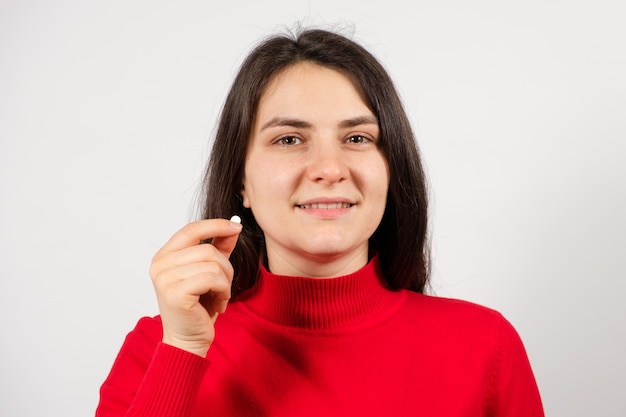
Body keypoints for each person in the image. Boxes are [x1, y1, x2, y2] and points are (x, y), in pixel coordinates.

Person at [95, 26, 544, 417]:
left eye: (357, 137)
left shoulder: (485, 346)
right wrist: (184, 351)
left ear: (392, 169)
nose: (329, 167)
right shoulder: (161, 347)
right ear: (241, 181)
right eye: (289, 138)